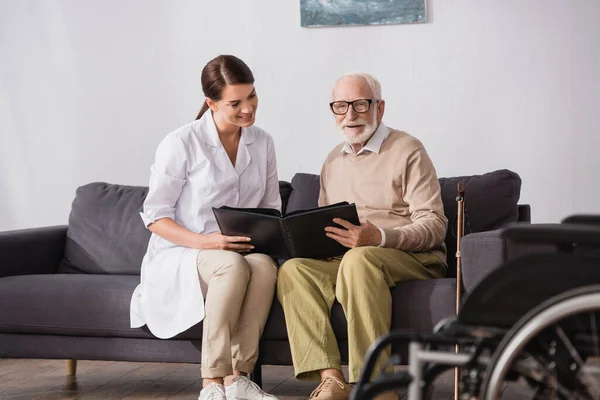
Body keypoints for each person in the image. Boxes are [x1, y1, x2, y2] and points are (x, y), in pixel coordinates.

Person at [276, 72, 448, 400]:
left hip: (413, 258)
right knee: (293, 270)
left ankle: (375, 384)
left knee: (359, 259)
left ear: (379, 108)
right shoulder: (332, 161)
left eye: (360, 104)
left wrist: (379, 237)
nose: (350, 115)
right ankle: (332, 380)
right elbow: (327, 225)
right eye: (341, 106)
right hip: (352, 258)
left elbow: (434, 225)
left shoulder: (408, 149)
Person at [130, 54, 280, 400]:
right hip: (184, 252)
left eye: (252, 96)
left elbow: (271, 207)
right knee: (230, 266)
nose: (248, 109)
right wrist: (206, 242)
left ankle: (239, 379)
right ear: (211, 103)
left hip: (243, 248)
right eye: (235, 103)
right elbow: (155, 216)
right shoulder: (181, 143)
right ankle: (212, 382)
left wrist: (265, 238)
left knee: (263, 266)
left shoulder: (263, 142)